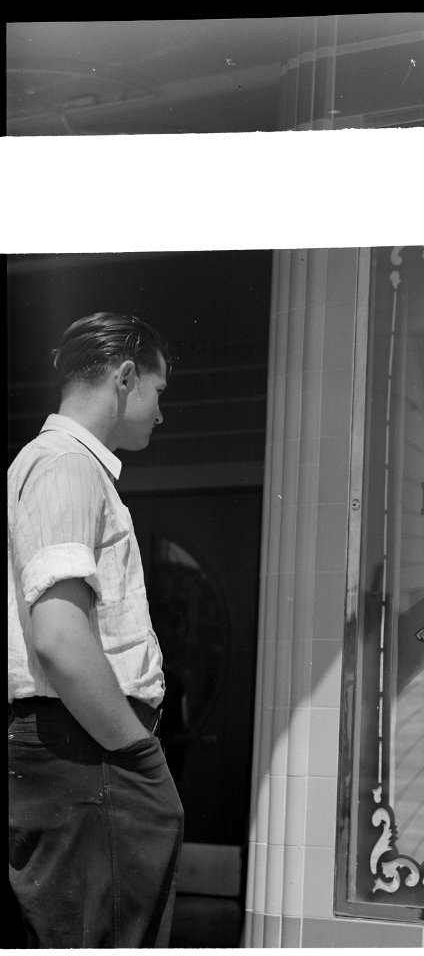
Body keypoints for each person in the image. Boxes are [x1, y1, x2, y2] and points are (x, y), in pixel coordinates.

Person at [7, 312, 184, 948]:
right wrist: (134, 751)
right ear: (125, 377)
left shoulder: (51, 465)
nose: (161, 414)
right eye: (158, 393)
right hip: (86, 752)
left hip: (72, 751)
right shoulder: (66, 466)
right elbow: (58, 634)